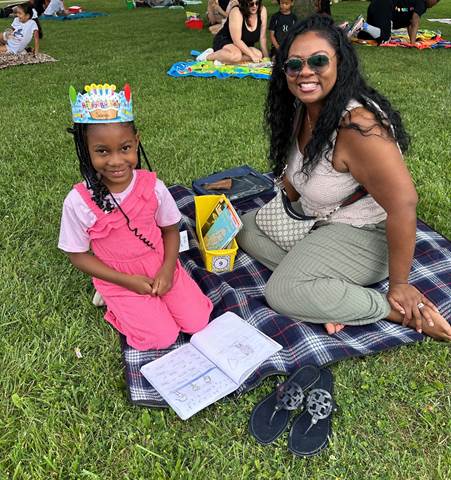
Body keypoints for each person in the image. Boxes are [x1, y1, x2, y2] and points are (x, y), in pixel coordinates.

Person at [237, 15, 451, 341]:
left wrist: (400, 286)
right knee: (245, 229)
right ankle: (328, 296)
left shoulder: (359, 127)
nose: (305, 72)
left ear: (340, 63)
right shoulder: (301, 109)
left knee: (280, 292)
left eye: (318, 61)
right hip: (318, 221)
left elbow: (404, 205)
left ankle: (383, 308)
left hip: (366, 233)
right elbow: (296, 185)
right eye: (294, 65)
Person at [58, 83, 213, 351]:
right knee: (161, 337)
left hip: (160, 266)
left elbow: (170, 229)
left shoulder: (153, 187)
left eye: (125, 148)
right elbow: (77, 255)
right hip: (118, 277)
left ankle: (160, 294)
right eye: (102, 151)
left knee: (197, 322)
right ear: (86, 149)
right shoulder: (78, 202)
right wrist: (126, 281)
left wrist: (167, 269)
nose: (116, 161)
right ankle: (111, 300)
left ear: (137, 142)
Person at [196, 0, 269, 64]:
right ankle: (208, 56)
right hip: (226, 40)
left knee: (259, 54)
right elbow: (236, 40)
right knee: (236, 55)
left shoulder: (262, 10)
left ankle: (224, 59)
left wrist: (267, 59)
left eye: (257, 3)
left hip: (244, 44)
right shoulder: (236, 11)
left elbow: (262, 38)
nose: (255, 6)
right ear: (244, 2)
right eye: (251, 4)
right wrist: (252, 55)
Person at [354, 0, 441, 45]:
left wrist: (412, 41)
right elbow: (415, 21)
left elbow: (410, 23)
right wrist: (413, 44)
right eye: (436, 1)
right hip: (384, 6)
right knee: (384, 39)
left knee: (367, 36)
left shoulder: (416, 2)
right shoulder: (422, 3)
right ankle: (363, 25)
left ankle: (357, 29)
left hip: (376, 4)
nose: (435, 4)